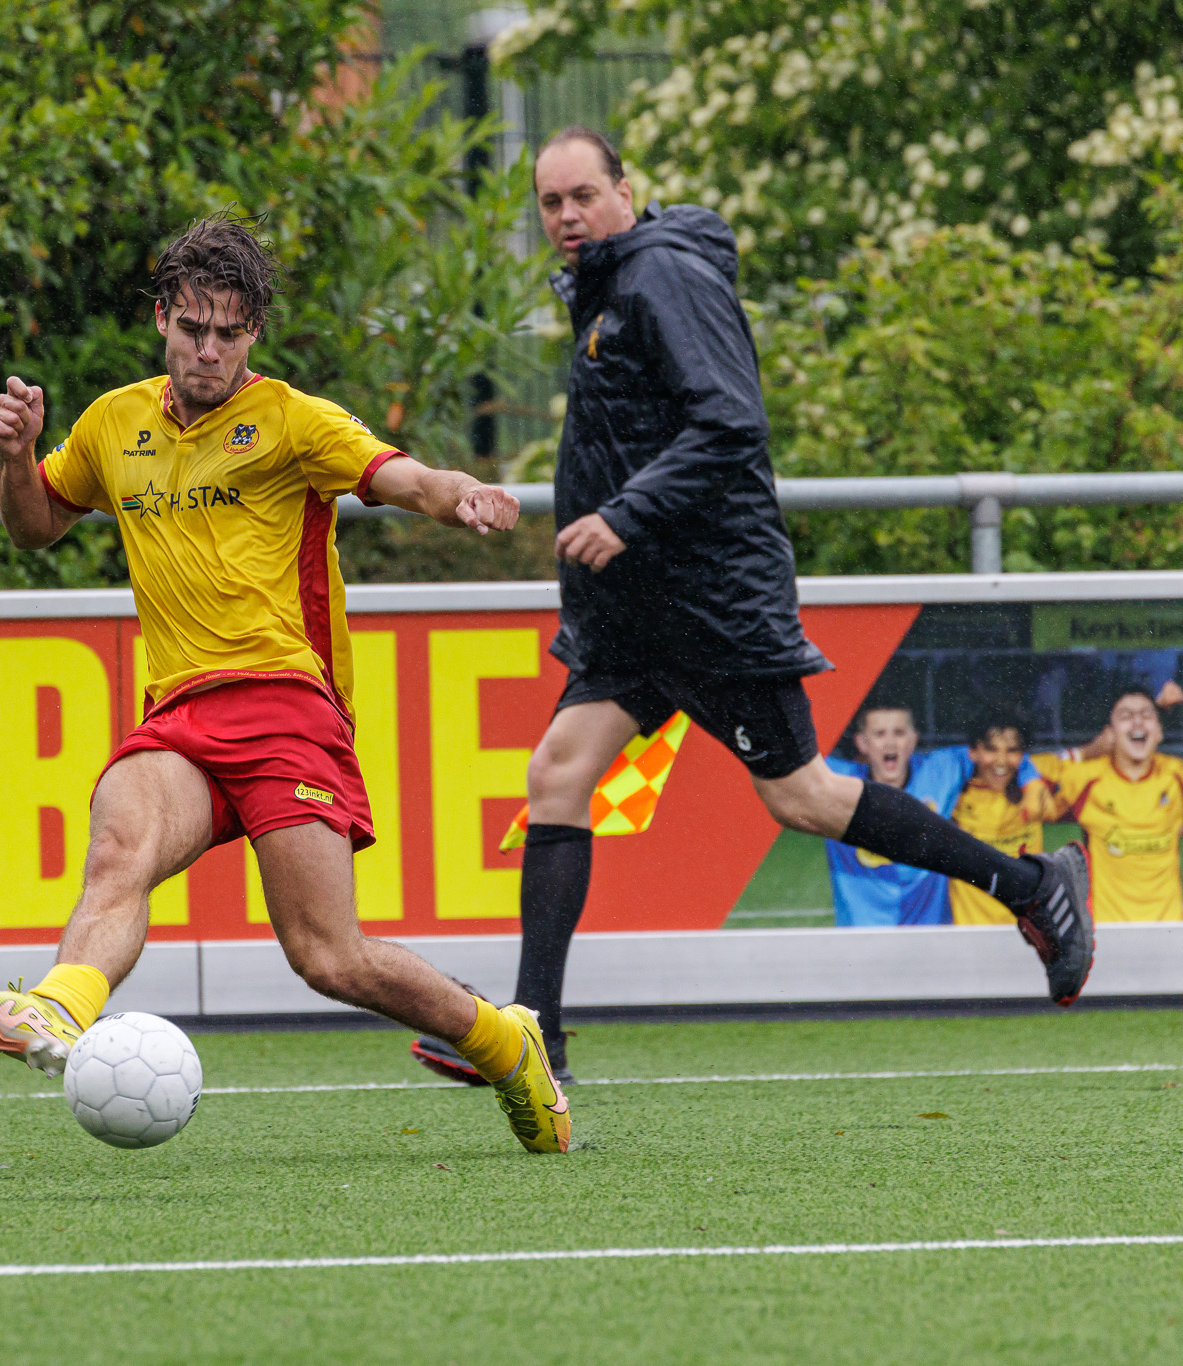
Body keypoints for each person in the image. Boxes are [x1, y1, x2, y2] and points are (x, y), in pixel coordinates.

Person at [414, 127, 1094, 1086]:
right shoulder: (608, 287)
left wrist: (624, 516)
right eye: (550, 203)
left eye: (582, 196)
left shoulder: (661, 276)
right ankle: (534, 1039)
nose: (566, 216)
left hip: (708, 603)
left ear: (625, 192)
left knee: (801, 796)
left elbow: (732, 422)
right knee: (557, 775)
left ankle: (1031, 885)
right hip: (639, 612)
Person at [0, 214, 574, 1153]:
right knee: (119, 844)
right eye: (193, 329)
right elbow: (34, 527)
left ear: (253, 332)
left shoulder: (294, 421)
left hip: (286, 708)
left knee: (329, 958)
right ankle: (58, 1007)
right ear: (162, 319)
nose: (209, 351)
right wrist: (14, 458)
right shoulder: (113, 423)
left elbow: (406, 478)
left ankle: (508, 1042)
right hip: (180, 715)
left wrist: (459, 493)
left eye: (229, 333)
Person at [824, 704, 1041, 927]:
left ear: (913, 740)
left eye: (899, 733)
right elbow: (801, 769)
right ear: (862, 743)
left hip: (931, 930)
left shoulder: (940, 770)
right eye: (879, 734)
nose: (890, 743)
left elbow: (1000, 755)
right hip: (862, 935)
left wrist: (1031, 782)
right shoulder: (837, 782)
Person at [1029, 689, 1183, 921]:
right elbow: (1022, 769)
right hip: (1107, 926)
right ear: (1109, 733)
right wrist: (1087, 751)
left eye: (1146, 715)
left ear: (1159, 731)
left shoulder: (1175, 775)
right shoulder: (1088, 778)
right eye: (1126, 715)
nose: (1137, 721)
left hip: (1169, 925)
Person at [947, 717, 1054, 926]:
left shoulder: (1036, 783)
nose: (1001, 761)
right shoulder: (955, 795)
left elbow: (1082, 755)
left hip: (1026, 931)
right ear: (973, 751)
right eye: (991, 749)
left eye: (1012, 750)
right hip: (970, 931)